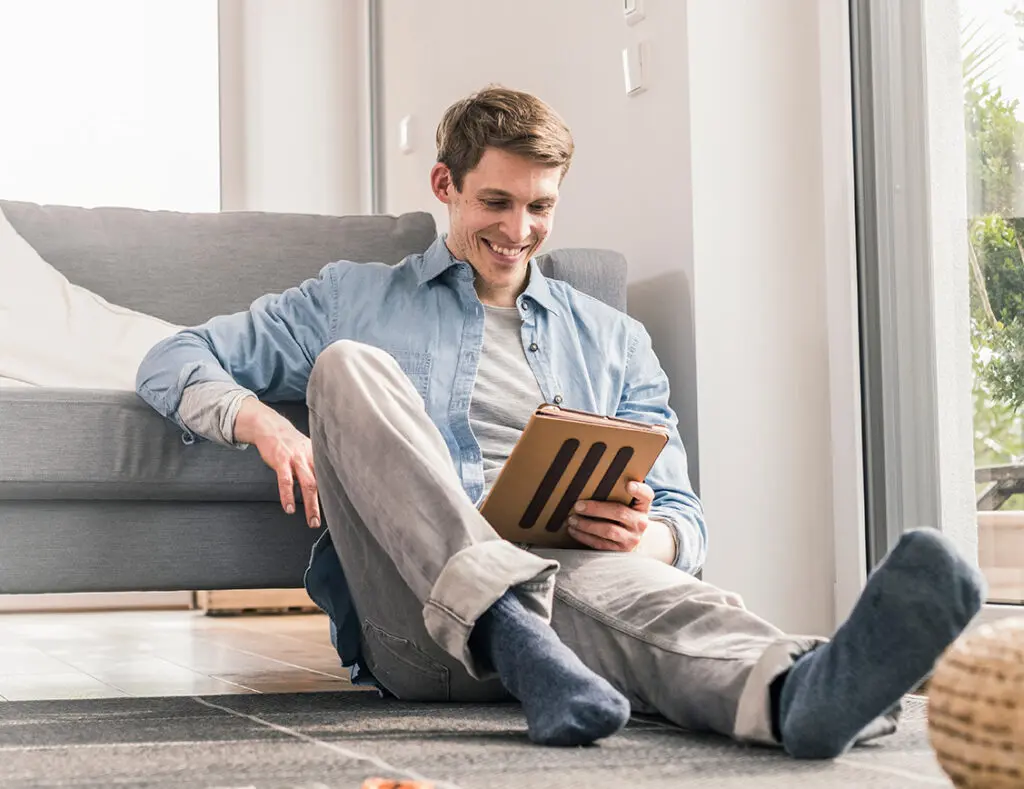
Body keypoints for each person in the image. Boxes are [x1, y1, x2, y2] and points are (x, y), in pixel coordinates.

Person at [136, 85, 984, 757]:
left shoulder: (613, 338)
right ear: (445, 186)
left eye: (541, 207)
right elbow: (171, 357)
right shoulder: (352, 296)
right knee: (346, 365)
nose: (519, 230)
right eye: (496, 202)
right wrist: (264, 423)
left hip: (567, 607)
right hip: (419, 627)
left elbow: (687, 524)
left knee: (655, 598)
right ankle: (507, 626)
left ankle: (797, 692)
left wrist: (641, 537)